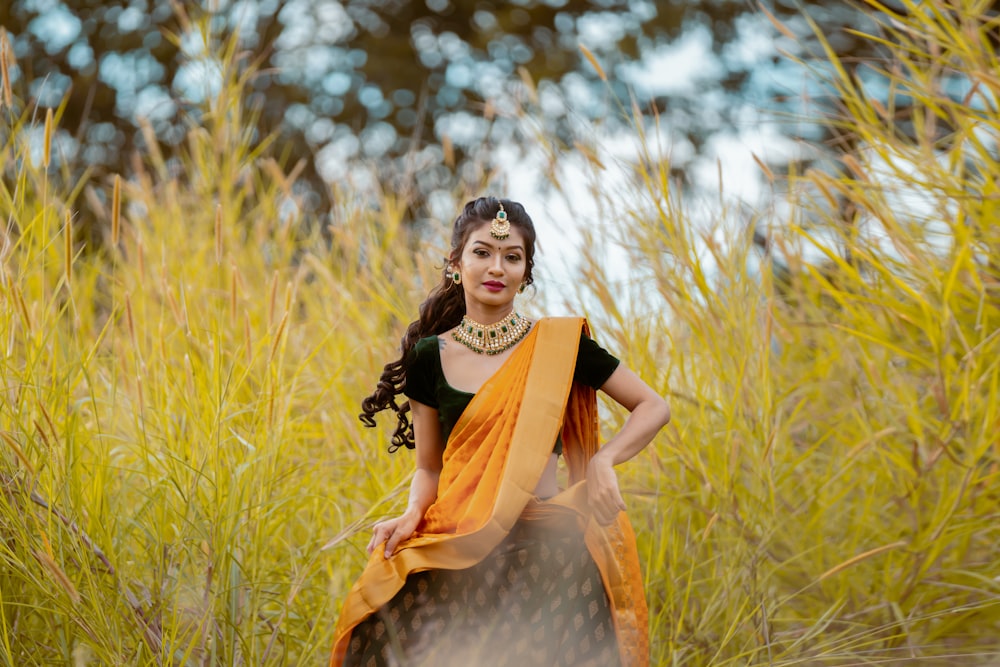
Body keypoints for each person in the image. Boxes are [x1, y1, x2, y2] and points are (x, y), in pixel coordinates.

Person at [330, 197, 670, 667]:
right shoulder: (429, 356)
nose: (497, 267)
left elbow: (653, 406)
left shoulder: (559, 346)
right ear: (456, 263)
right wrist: (410, 515)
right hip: (460, 542)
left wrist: (603, 460)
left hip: (549, 550)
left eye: (512, 257)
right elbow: (429, 467)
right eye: (482, 252)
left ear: (526, 273)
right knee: (379, 622)